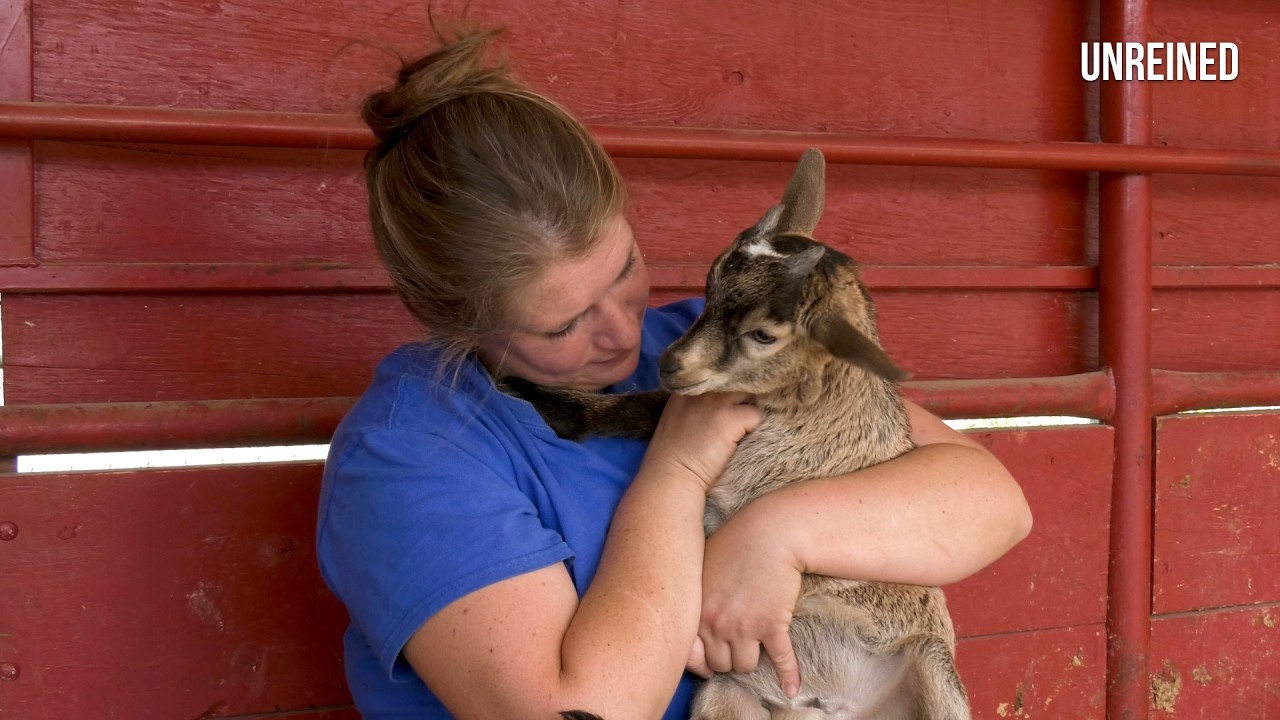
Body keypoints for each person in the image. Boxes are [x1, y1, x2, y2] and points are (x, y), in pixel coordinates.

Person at [316, 25, 1032, 720]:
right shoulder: (410, 457)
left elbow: (991, 502)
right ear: (458, 323)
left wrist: (776, 536)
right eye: (563, 325)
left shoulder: (711, 337)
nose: (626, 331)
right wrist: (678, 469)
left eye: (625, 268)